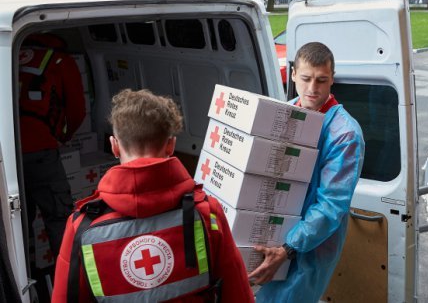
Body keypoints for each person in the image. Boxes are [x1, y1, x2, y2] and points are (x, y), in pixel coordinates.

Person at [51, 89, 254, 302]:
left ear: (115, 146)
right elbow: (237, 293)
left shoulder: (82, 227)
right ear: (171, 145)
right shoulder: (206, 212)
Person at [249, 42, 365, 303]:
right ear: (292, 75)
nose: (312, 89)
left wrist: (288, 248)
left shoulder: (344, 133)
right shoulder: (287, 111)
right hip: (272, 237)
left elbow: (331, 205)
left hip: (308, 248)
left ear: (332, 79)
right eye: (306, 78)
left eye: (322, 80)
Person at [19, 33, 86, 259]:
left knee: (17, 221)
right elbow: (77, 111)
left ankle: (24, 277)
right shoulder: (60, 60)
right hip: (42, 152)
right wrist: (62, 137)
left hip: (7, 155)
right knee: (59, 220)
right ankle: (66, 283)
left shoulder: (10, 53)